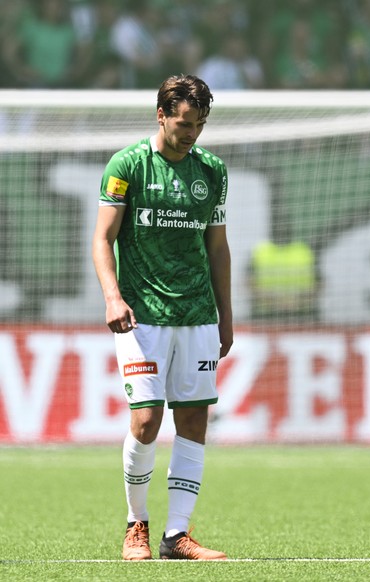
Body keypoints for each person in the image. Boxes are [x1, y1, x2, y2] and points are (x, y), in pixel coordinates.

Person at [92, 74, 232, 560]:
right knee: (148, 420)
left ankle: (177, 535)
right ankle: (137, 526)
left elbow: (218, 248)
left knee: (193, 420)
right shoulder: (128, 164)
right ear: (161, 115)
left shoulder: (212, 171)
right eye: (184, 123)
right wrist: (112, 297)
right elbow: (101, 239)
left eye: (200, 124)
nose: (191, 132)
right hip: (141, 315)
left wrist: (226, 316)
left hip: (197, 313)